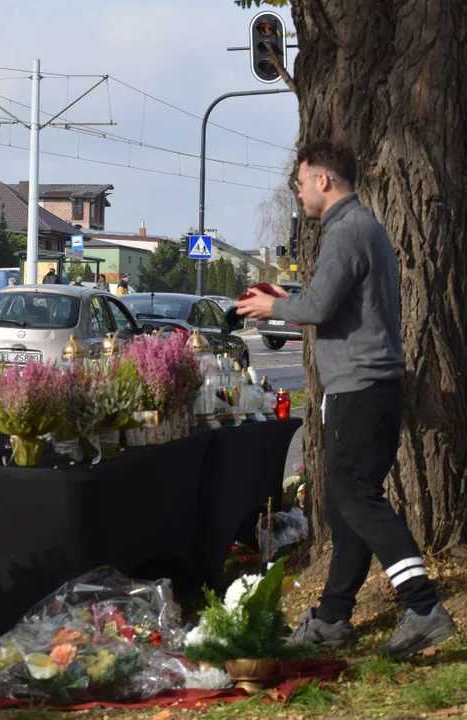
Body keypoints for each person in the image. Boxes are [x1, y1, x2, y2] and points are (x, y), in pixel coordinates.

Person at [237, 140, 455, 658]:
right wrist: (287, 301)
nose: (297, 192)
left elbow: (319, 306)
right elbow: (332, 304)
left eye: (300, 182)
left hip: (362, 387)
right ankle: (334, 616)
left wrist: (272, 305)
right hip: (366, 387)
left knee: (354, 496)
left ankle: (422, 605)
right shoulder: (362, 228)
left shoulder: (347, 230)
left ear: (324, 181)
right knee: (346, 503)